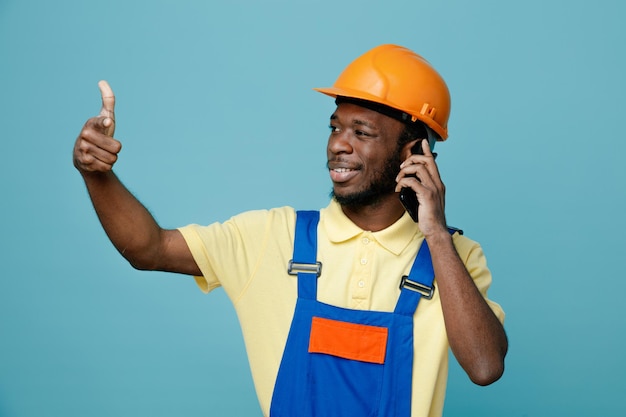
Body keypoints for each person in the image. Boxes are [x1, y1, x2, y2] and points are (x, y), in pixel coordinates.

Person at [73, 44, 507, 417]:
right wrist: (97, 174)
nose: (339, 143)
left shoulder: (456, 259)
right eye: (335, 127)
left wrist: (434, 234)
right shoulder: (270, 237)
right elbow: (148, 248)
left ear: (416, 152)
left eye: (362, 131)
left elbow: (485, 366)